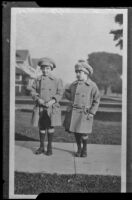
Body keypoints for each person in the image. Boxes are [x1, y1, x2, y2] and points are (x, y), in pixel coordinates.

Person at [63, 60, 100, 157]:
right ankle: (79, 149)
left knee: (84, 133)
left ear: (86, 73)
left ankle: (85, 149)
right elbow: (69, 95)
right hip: (74, 112)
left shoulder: (92, 85)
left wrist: (92, 112)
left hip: (85, 113)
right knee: (76, 131)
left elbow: (96, 100)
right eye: (76, 72)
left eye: (80, 72)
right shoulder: (74, 84)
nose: (77, 74)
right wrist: (65, 92)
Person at [27, 57, 63, 156]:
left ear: (51, 69)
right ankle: (42, 146)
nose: (45, 70)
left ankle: (50, 147)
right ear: (40, 69)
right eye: (43, 68)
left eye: (47, 68)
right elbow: (32, 91)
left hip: (51, 107)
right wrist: (38, 99)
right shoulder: (37, 79)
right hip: (40, 107)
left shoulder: (57, 80)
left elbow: (60, 93)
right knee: (42, 126)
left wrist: (52, 101)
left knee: (50, 126)